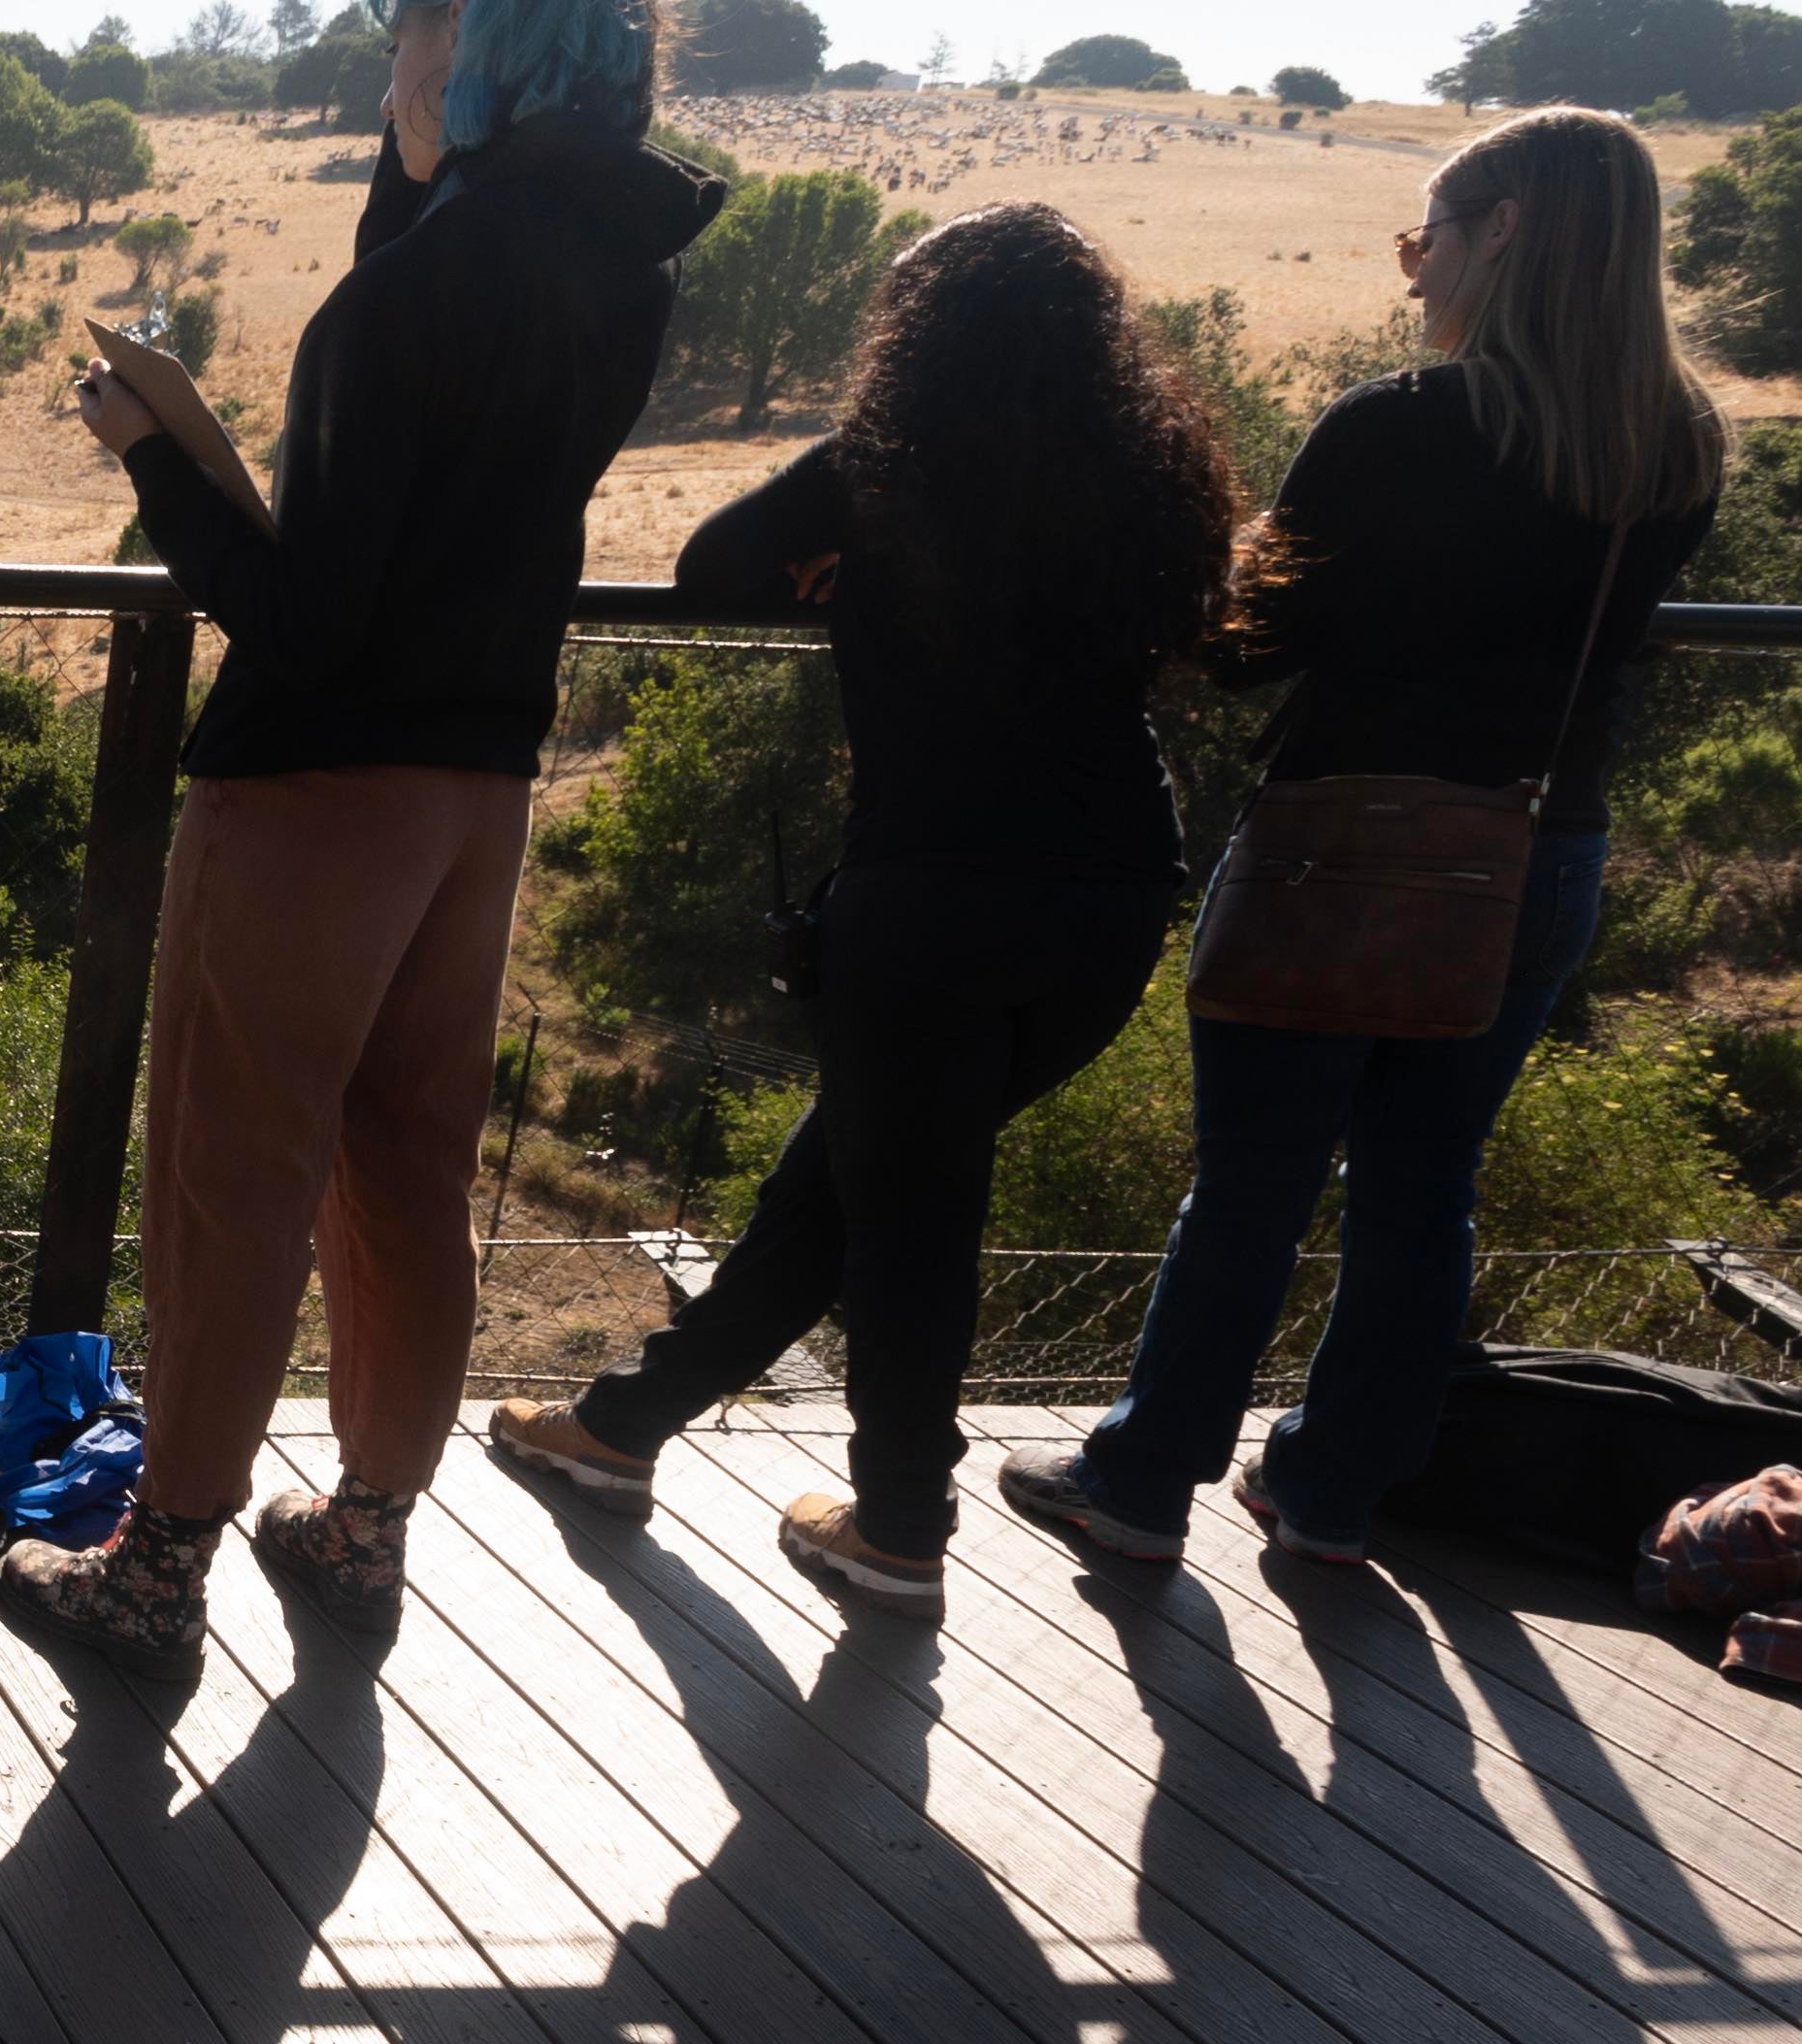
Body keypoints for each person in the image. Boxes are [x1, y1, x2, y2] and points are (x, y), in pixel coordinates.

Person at [0, 0, 725, 1666]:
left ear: (470, 44)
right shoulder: (608, 277)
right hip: (480, 790)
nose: (387, 56)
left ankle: (161, 1561)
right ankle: (367, 1526)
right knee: (407, 1163)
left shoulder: (405, 310)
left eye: (413, 24)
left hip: (316, 790)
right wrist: (417, 181)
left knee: (229, 1174)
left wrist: (156, 457)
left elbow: (306, 614)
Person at [998, 105, 1723, 1573]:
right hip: (1534, 852)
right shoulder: (1681, 445)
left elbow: (1250, 650)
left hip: (1342, 847)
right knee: (1425, 1187)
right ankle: (1333, 1497)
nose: (1415, 271)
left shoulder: (1392, 428)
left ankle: (1141, 1485)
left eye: (1431, 236)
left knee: (1253, 1180)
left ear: (1500, 232)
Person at [484, 204, 1240, 1605]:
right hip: (1112, 907)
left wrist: (839, 566)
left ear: (922, 340)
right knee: (852, 1183)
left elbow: (709, 569)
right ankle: (620, 1427)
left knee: (905, 1214)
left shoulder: (884, 468)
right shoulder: (1149, 477)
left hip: (931, 908)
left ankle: (898, 1527)